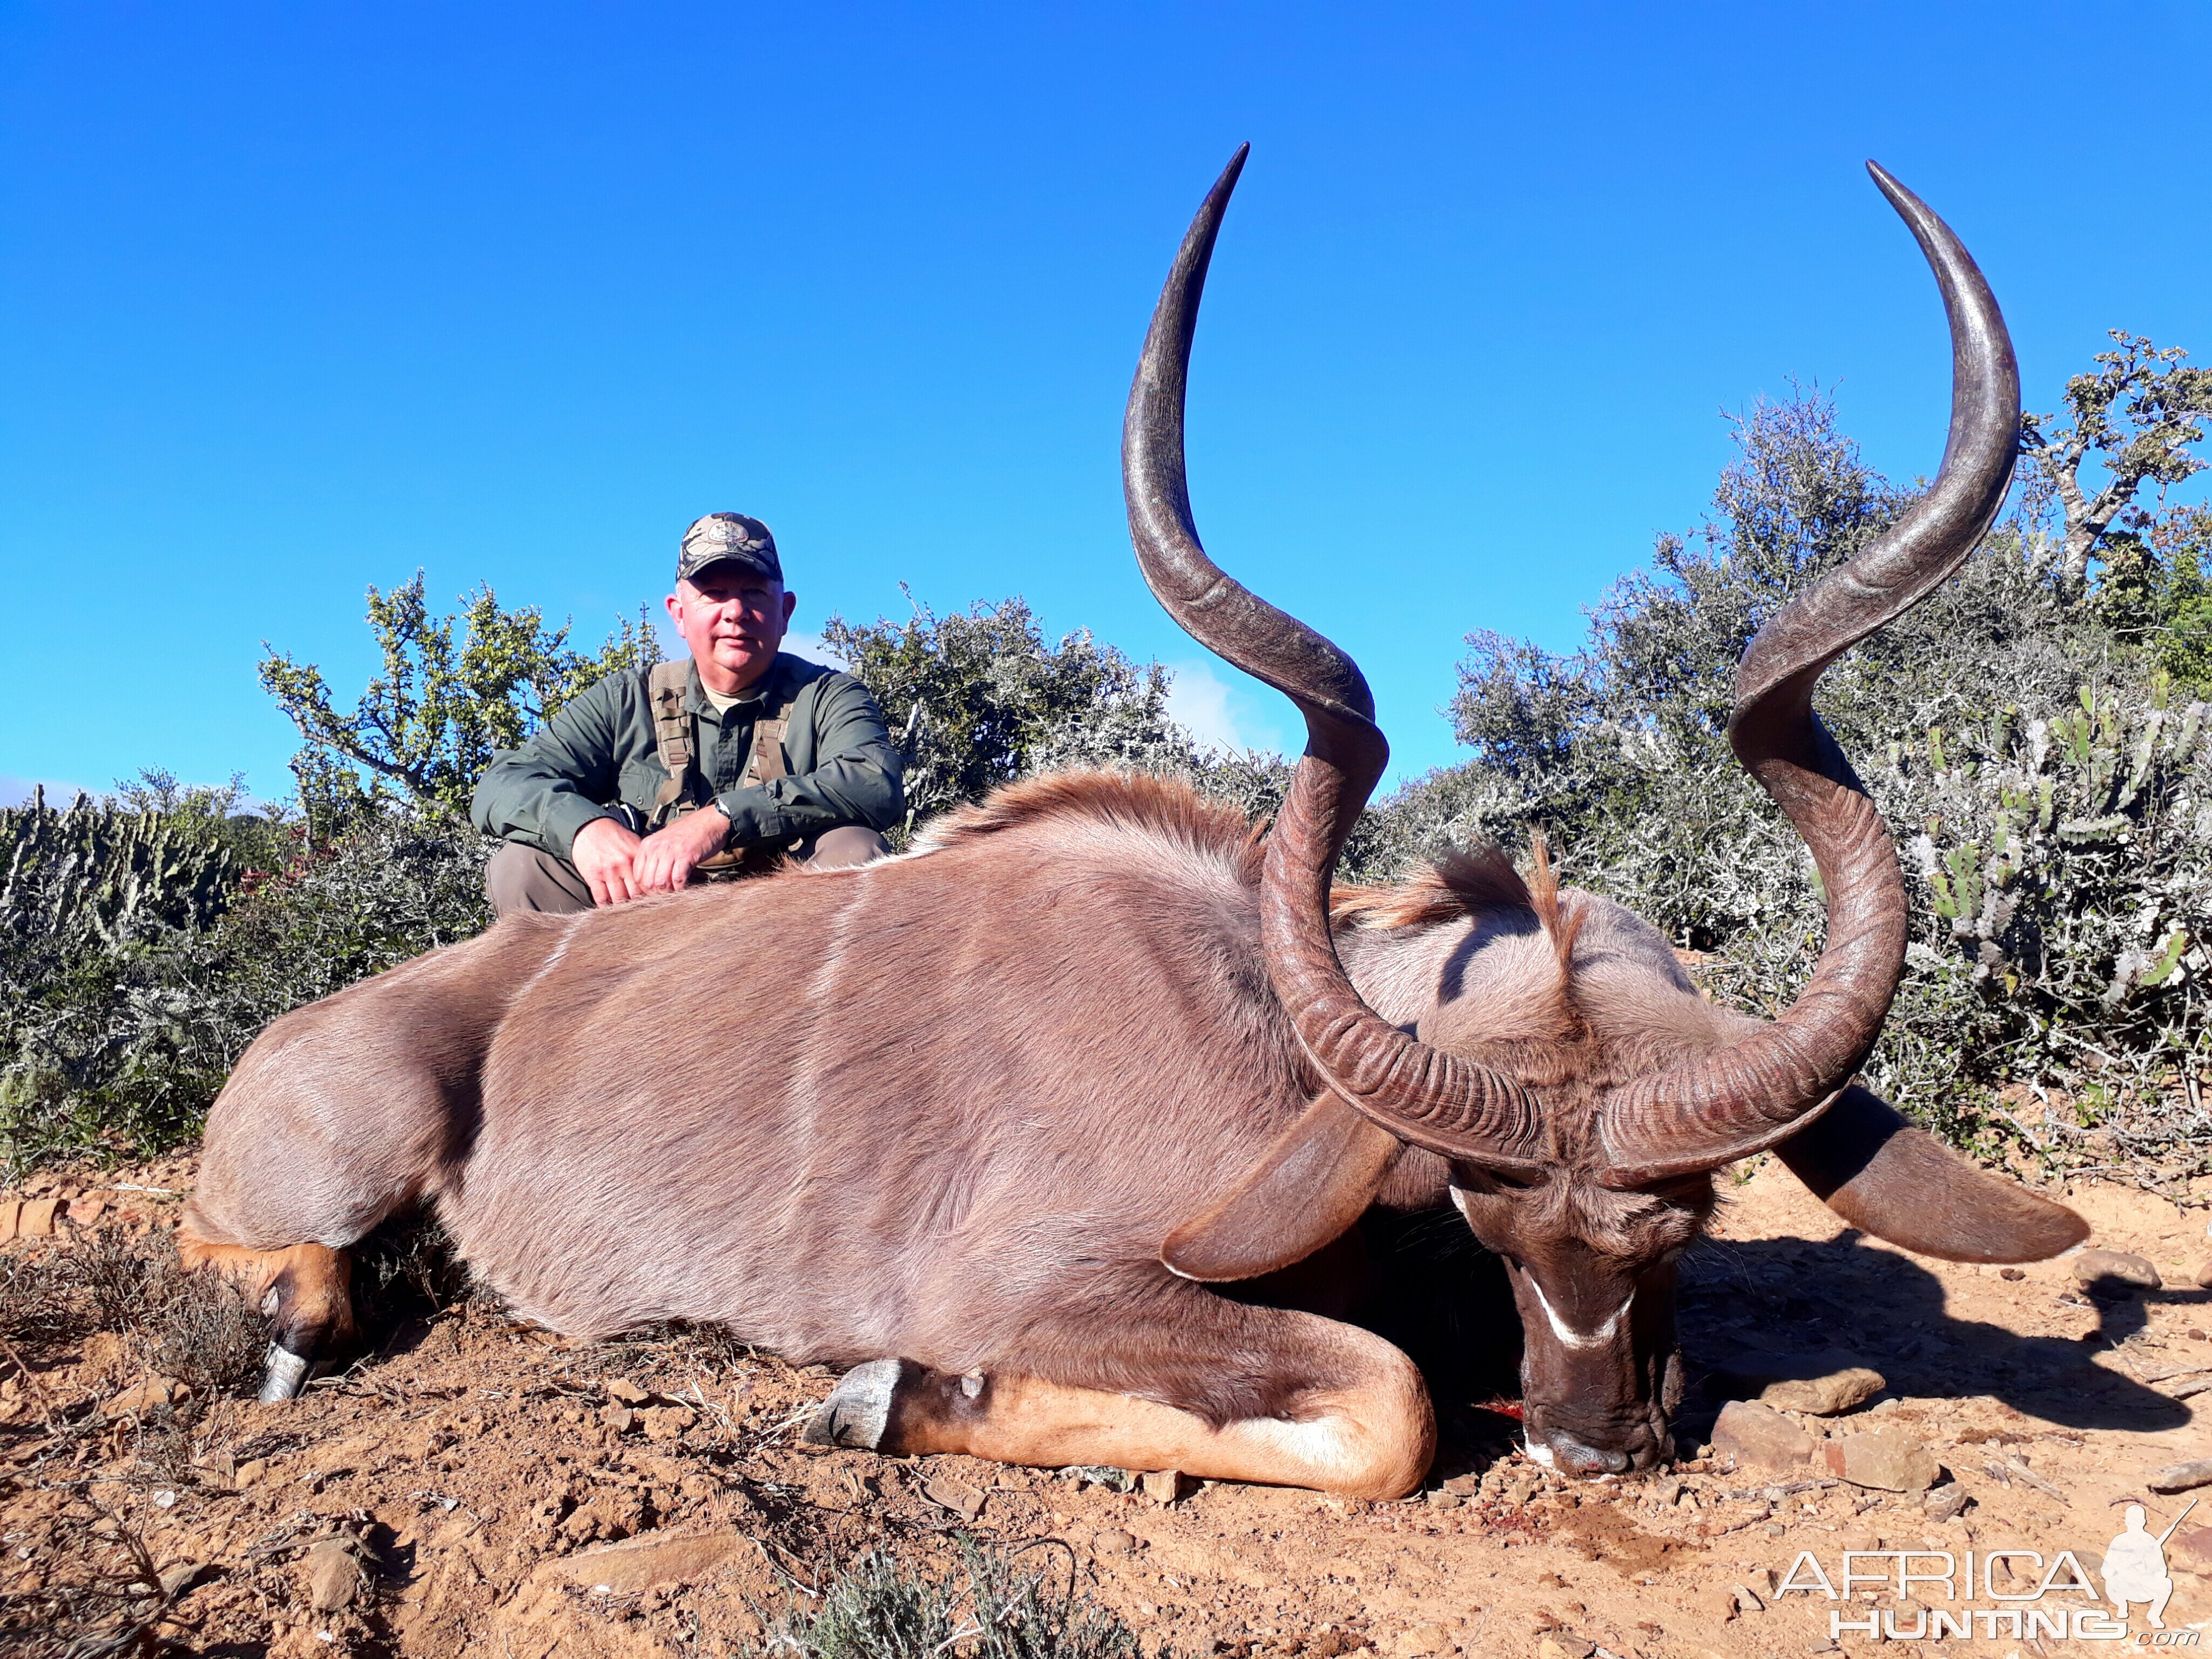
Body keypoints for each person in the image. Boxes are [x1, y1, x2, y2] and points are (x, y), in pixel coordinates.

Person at [473, 512, 904, 916]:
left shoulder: (829, 695)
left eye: (754, 592)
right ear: (678, 615)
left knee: (855, 850)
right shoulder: (626, 699)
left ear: (786, 611)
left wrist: (721, 819)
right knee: (523, 868)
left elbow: (873, 782)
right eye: (714, 594)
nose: (735, 612)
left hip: (778, 924)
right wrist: (584, 830)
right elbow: (504, 782)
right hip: (645, 915)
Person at [2100, 1503, 2175, 1628]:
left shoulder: (2150, 1541)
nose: (2135, 1523)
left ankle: (2154, 1615)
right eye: (2132, 1520)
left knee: (2167, 1584)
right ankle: (2122, 1607)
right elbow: (2107, 1569)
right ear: (2127, 1522)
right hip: (2122, 1586)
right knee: (2112, 1582)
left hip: (2143, 1586)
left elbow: (2161, 1571)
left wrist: (2148, 1564)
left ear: (2144, 1522)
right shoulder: (2119, 1541)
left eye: (2138, 1520)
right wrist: (2125, 1566)